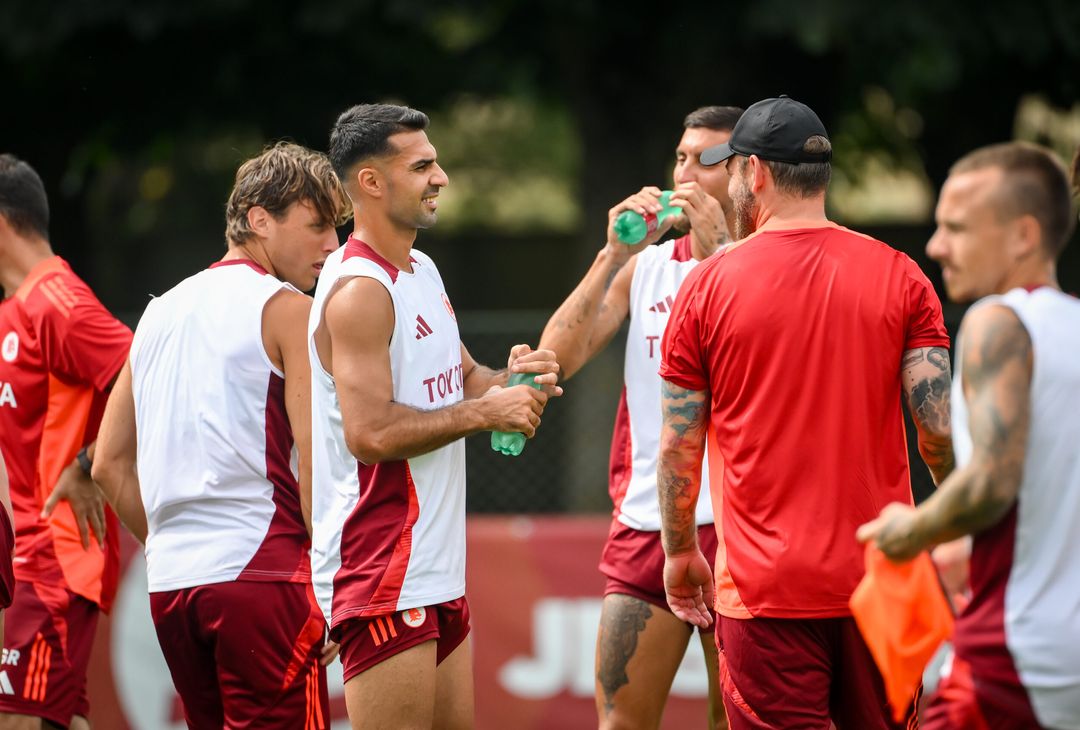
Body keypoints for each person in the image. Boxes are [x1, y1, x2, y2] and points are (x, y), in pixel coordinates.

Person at [655, 96, 955, 729]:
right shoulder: (901, 274)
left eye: (731, 168)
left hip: (764, 592)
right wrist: (960, 523)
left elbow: (679, 445)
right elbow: (937, 432)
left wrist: (680, 552)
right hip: (881, 579)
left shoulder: (705, 286)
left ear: (755, 173)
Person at [311, 103, 562, 729]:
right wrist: (484, 413)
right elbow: (370, 434)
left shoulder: (421, 268)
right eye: (422, 166)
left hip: (434, 567)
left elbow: (466, 376)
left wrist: (513, 382)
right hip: (383, 565)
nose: (441, 177)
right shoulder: (361, 291)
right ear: (371, 182)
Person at [91, 142, 349, 728]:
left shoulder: (156, 313)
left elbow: (108, 463)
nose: (333, 245)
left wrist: (170, 547)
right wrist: (333, 588)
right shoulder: (289, 309)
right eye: (317, 225)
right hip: (264, 576)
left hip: (172, 584)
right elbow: (316, 463)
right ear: (259, 219)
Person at [858, 141, 1080, 729]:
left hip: (1016, 655)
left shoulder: (996, 322)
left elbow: (991, 483)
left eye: (956, 228)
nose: (935, 246)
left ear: (1023, 236)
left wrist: (911, 530)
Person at [538, 105, 743, 730]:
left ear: (746, 173)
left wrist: (720, 253)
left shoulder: (763, 267)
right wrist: (610, 254)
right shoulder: (647, 266)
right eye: (680, 157)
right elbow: (554, 359)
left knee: (734, 721)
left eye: (705, 160)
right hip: (647, 524)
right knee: (620, 722)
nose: (685, 174)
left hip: (740, 529)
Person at [0, 154, 131, 729]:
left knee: (17, 720)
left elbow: (150, 373)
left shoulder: (56, 299)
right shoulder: (13, 309)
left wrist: (88, 463)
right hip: (24, 562)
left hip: (54, 559)